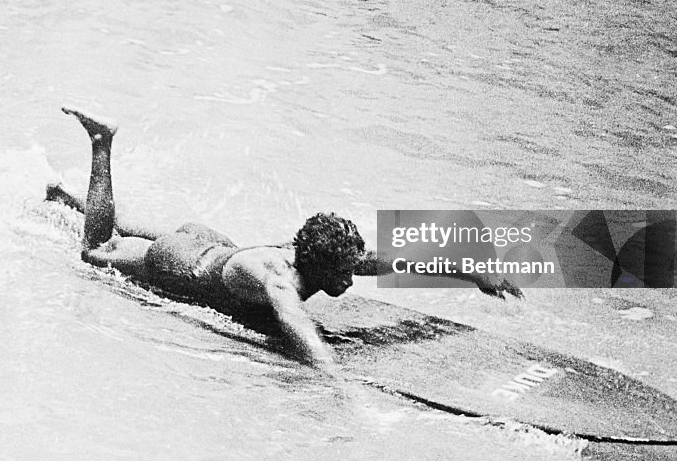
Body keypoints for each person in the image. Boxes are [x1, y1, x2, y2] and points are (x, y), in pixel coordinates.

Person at [47, 107, 522, 375]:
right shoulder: (279, 282)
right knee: (99, 250)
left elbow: (402, 261)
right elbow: (302, 333)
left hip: (216, 250)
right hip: (184, 261)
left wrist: (477, 273)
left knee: (123, 228)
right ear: (317, 269)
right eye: (342, 276)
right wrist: (342, 387)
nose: (350, 281)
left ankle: (64, 198)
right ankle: (101, 143)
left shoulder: (325, 256)